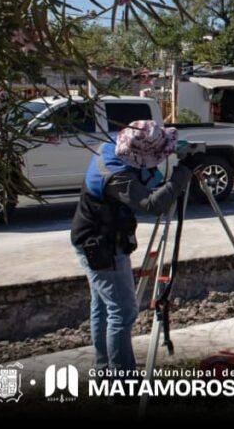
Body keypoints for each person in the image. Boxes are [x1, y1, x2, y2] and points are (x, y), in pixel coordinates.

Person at [70, 120, 197, 374]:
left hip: (96, 238)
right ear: (139, 156)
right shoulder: (117, 176)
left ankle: (106, 369)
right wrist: (185, 172)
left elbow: (147, 170)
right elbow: (152, 204)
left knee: (104, 307)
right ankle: (122, 381)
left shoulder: (113, 148)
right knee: (123, 310)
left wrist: (172, 150)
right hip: (102, 245)